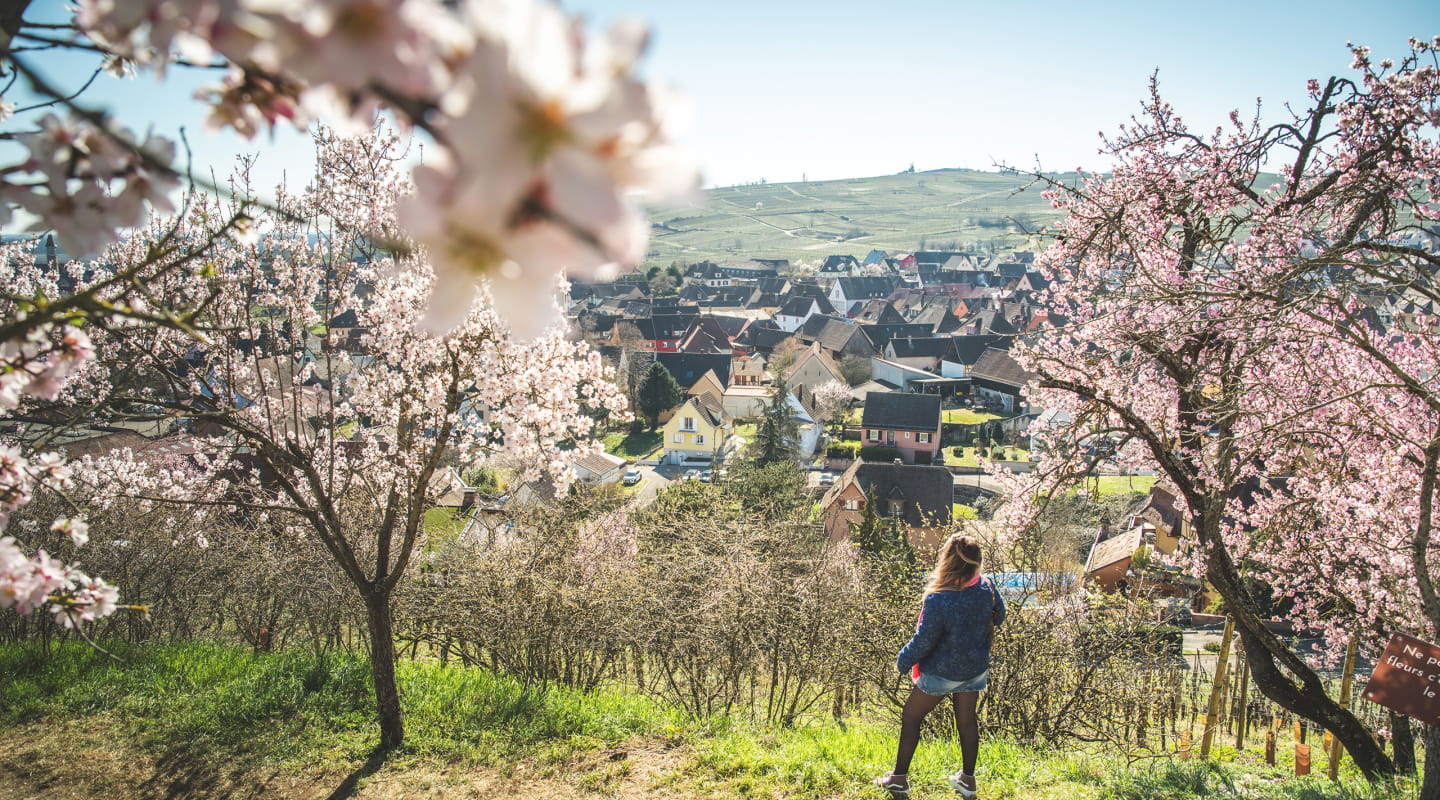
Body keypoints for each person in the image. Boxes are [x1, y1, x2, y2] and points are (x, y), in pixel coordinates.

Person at [873, 533, 1005, 799]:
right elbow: (999, 616)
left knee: (911, 718)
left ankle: (898, 780)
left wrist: (903, 660)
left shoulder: (939, 598)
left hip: (942, 672)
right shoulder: (987, 586)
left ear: (949, 561)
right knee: (967, 721)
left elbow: (924, 640)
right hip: (975, 668)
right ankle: (967, 780)